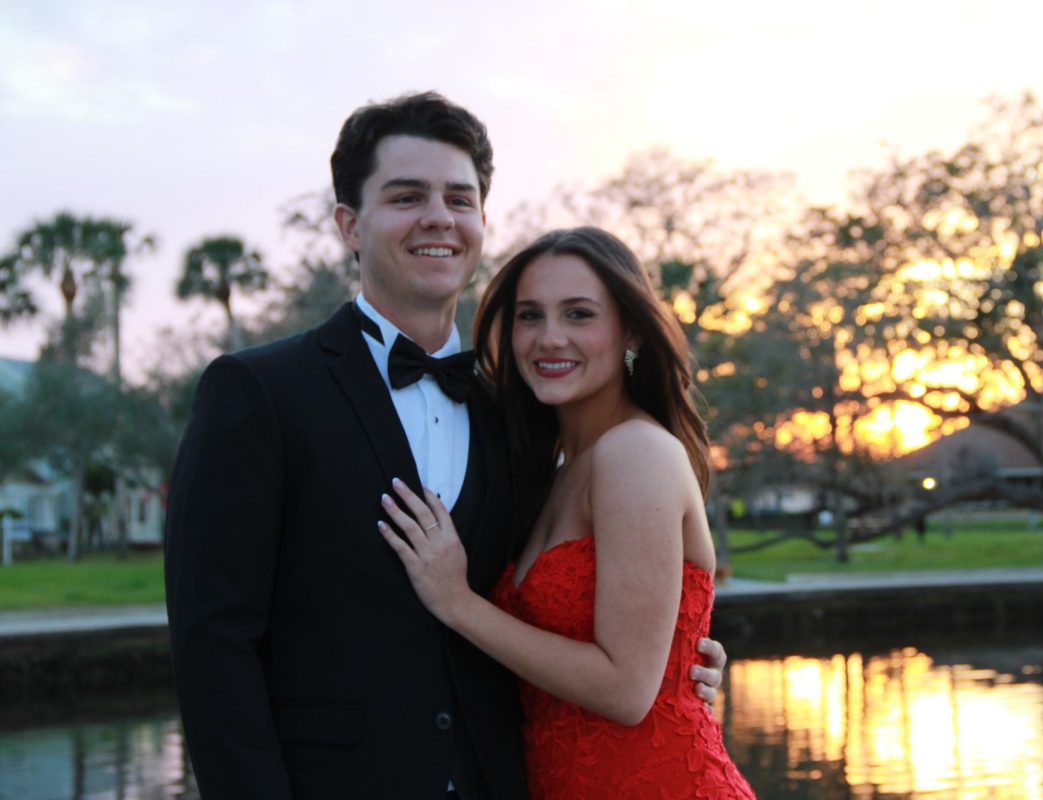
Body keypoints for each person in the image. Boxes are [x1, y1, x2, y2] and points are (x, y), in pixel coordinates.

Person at [164, 93, 726, 800]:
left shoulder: (517, 416)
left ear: (482, 224)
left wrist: (687, 657)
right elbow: (212, 646)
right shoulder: (259, 392)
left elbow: (604, 599)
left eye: (459, 199)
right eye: (406, 196)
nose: (438, 217)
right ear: (349, 224)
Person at [377, 227, 756, 799]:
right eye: (530, 316)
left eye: (579, 315)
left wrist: (457, 603)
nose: (549, 338)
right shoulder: (552, 473)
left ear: (630, 329)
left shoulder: (637, 452)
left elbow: (628, 690)